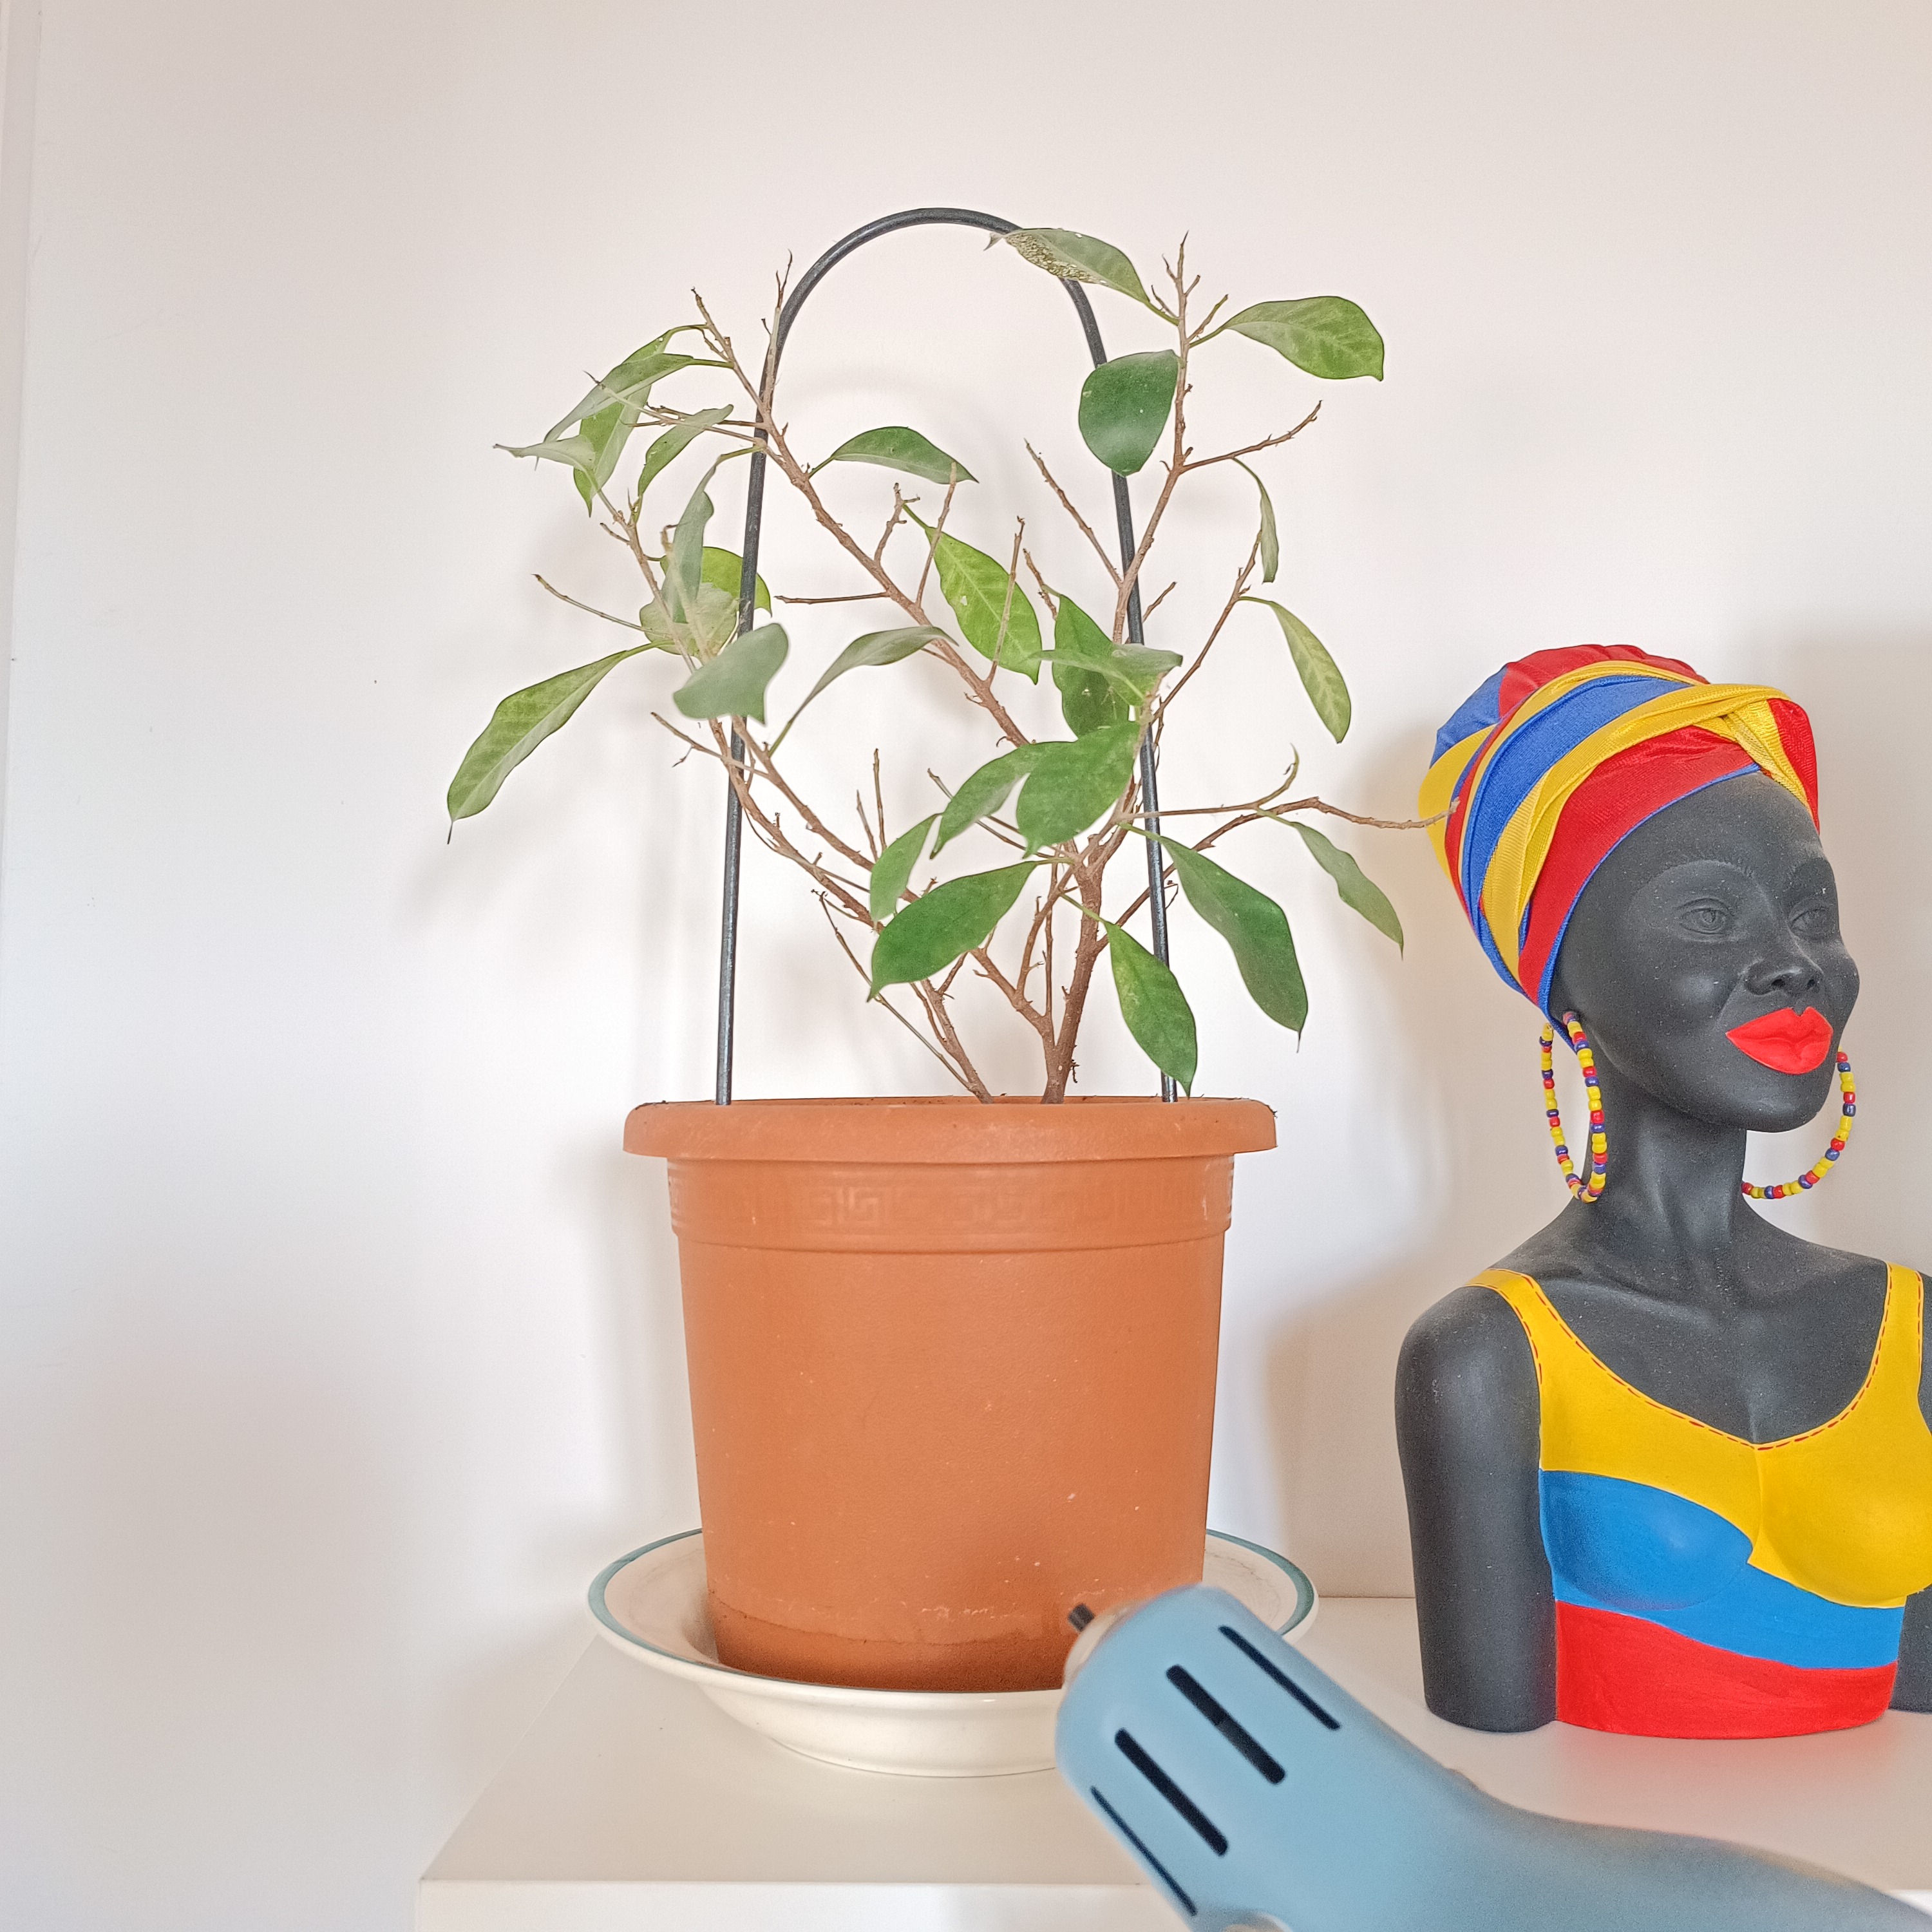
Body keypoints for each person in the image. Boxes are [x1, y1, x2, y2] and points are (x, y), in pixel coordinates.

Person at [1396, 646, 1932, 1736]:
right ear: (1568, 980)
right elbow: (1498, 1756)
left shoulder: (1913, 1328)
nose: (1792, 961)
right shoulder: (1485, 1357)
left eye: (1811, 914)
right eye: (1708, 916)